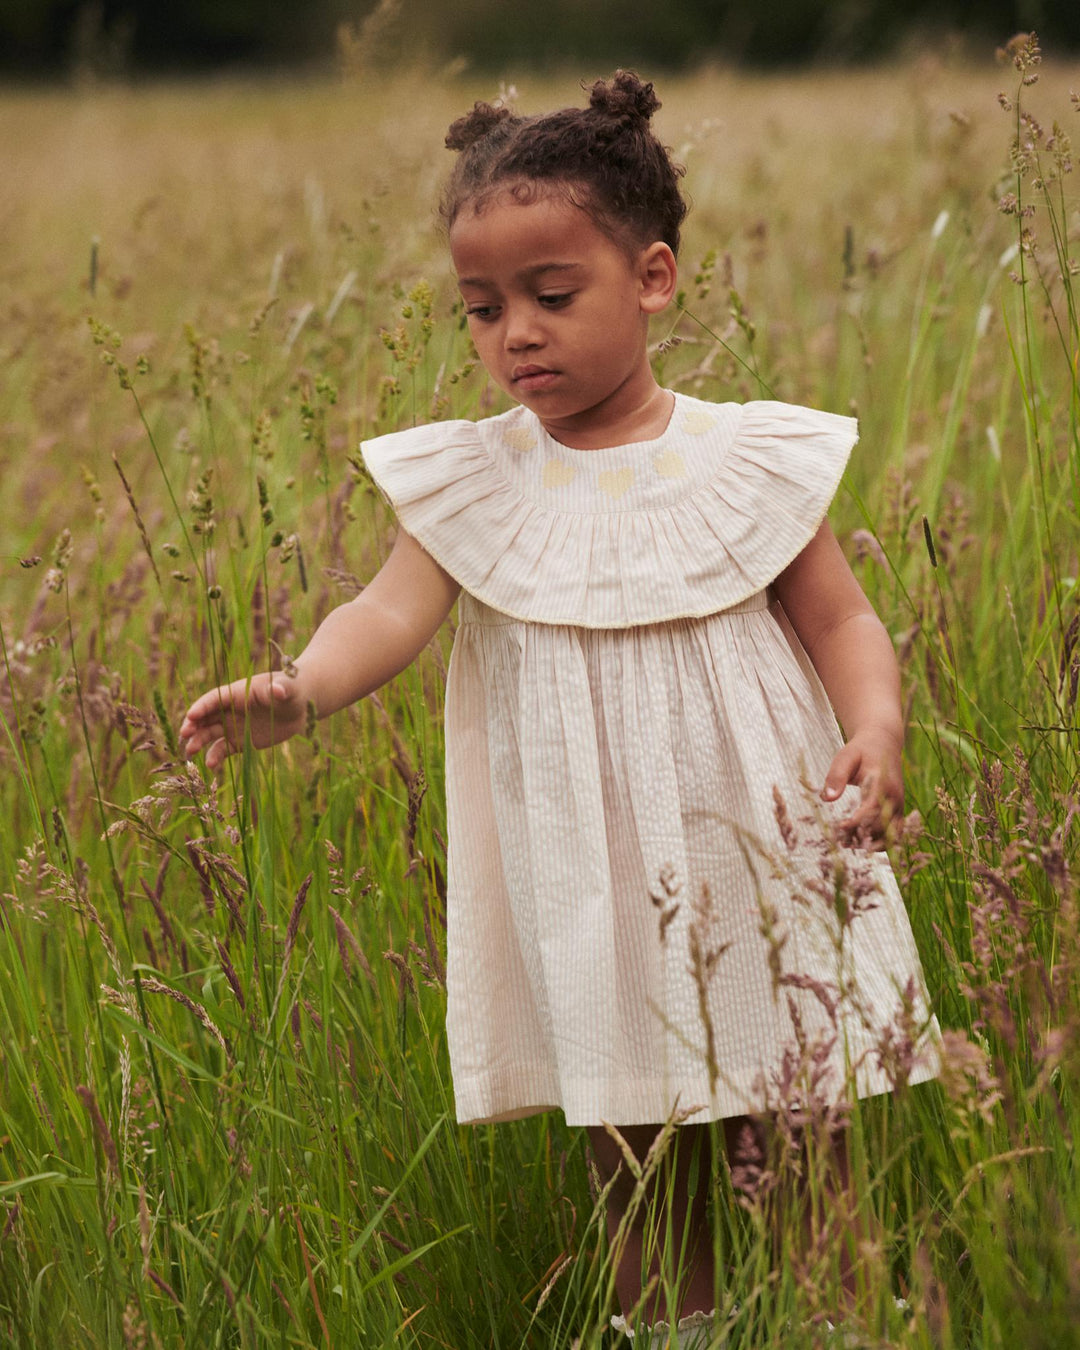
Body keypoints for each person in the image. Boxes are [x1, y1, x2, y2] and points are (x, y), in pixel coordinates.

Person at [180, 71, 940, 1348]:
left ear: (651, 279)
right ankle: (678, 1336)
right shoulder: (476, 481)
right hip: (587, 877)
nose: (514, 335)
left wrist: (877, 725)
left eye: (551, 296)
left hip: (761, 850)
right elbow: (384, 613)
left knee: (802, 1121)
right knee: (634, 1152)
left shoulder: (744, 457)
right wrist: (304, 688)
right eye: (483, 310)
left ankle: (842, 1326)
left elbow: (841, 621)